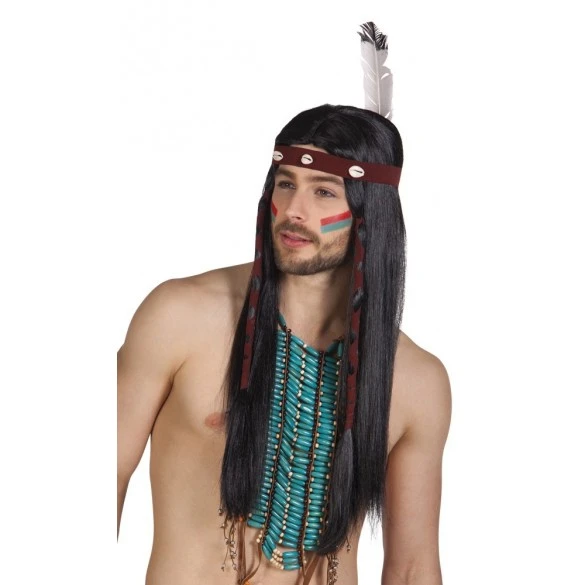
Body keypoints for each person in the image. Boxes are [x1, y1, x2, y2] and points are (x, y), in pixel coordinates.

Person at [117, 103, 452, 585]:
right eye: (286, 183)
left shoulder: (417, 380)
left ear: (370, 213)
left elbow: (412, 568)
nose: (295, 210)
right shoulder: (180, 316)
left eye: (324, 191)